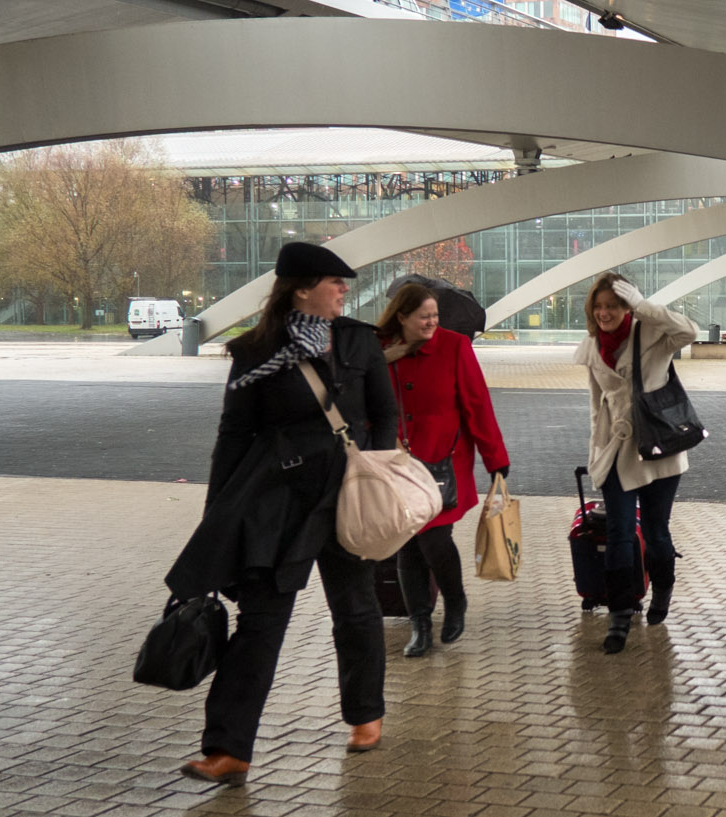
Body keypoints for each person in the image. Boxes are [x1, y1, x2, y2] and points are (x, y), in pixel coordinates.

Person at [166, 242, 396, 785]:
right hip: (278, 503)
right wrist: (218, 512)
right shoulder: (255, 351)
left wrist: (373, 476)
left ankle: (365, 714)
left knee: (357, 610)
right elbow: (234, 435)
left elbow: (385, 416)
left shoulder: (360, 342)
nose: (344, 289)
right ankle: (229, 751)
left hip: (345, 498)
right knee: (261, 625)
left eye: (345, 283)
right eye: (334, 282)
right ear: (300, 289)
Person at [376, 283, 512, 658]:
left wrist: (495, 457)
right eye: (424, 317)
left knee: (434, 539)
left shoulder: (454, 346)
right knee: (409, 544)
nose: (432, 322)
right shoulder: (381, 350)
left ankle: (455, 600)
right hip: (399, 463)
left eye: (435, 315)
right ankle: (420, 624)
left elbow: (477, 403)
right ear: (401, 317)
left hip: (444, 462)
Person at [576, 272, 700, 653]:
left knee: (657, 532)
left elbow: (690, 331)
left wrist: (646, 306)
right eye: (598, 307)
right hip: (617, 449)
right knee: (619, 532)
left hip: (658, 446)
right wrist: (596, 453)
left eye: (612, 305)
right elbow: (597, 406)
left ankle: (662, 587)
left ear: (627, 305)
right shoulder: (592, 346)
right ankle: (620, 614)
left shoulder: (652, 334)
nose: (604, 313)